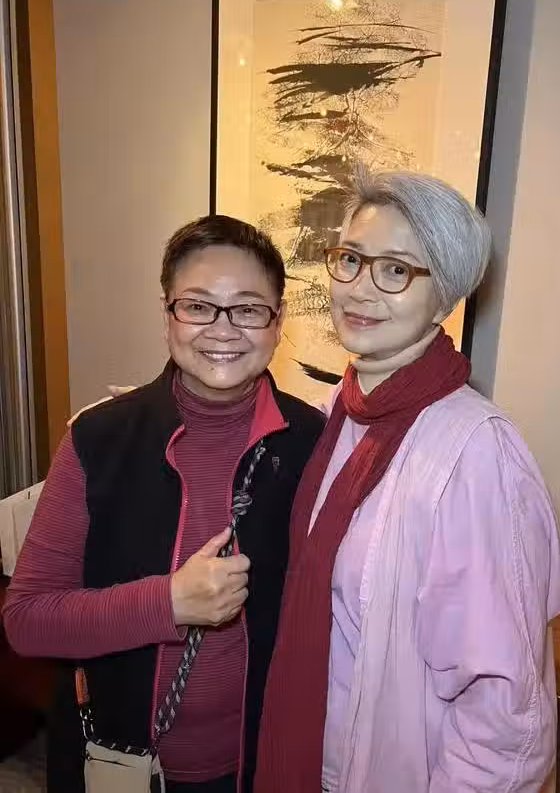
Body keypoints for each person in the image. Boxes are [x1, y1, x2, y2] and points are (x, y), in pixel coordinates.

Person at [254, 168, 560, 793]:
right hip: (309, 755)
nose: (360, 289)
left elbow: (504, 720)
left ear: (443, 299)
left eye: (395, 270)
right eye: (351, 259)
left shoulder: (477, 455)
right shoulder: (333, 419)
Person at [3, 215, 325, 793]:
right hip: (115, 762)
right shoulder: (100, 439)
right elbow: (27, 621)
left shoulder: (311, 444)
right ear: (168, 313)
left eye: (248, 309)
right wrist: (170, 601)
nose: (222, 329)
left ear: (277, 321)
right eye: (198, 306)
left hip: (256, 764)